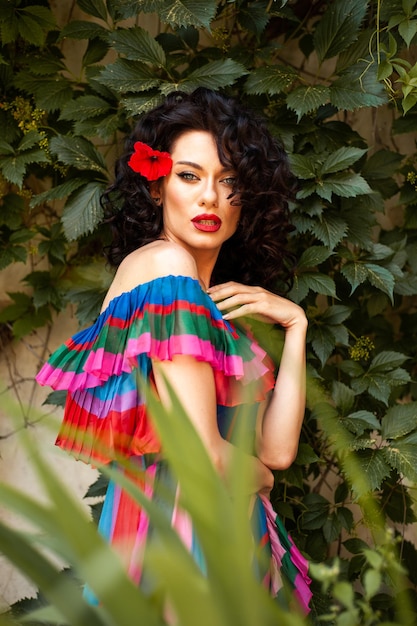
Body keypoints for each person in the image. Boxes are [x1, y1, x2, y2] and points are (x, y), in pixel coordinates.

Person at [36, 87, 312, 614]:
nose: (209, 197)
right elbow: (211, 458)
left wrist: (296, 326)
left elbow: (275, 449)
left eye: (228, 181)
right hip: (177, 541)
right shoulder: (165, 269)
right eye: (189, 176)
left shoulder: (208, 309)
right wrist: (263, 479)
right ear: (157, 187)